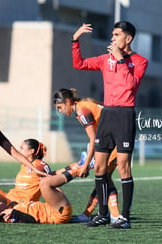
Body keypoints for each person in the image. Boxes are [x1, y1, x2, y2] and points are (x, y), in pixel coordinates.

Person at [71, 21, 148, 229]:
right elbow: (79, 64)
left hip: (125, 115)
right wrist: (75, 39)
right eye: (112, 35)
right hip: (107, 114)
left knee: (123, 166)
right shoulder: (106, 59)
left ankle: (125, 217)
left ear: (128, 38)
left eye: (116, 35)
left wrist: (122, 59)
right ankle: (103, 214)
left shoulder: (140, 61)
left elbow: (130, 85)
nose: (112, 38)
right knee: (100, 168)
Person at [53, 88, 120, 223]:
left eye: (60, 107)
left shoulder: (81, 110)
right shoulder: (83, 105)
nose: (60, 111)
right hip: (113, 139)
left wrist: (86, 164)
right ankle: (98, 213)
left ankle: (115, 215)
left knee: (104, 177)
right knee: (103, 178)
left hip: (115, 140)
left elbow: (92, 138)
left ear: (68, 101)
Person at [0, 170, 76, 224]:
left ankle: (79, 168)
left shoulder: (10, 207)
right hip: (57, 214)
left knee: (46, 181)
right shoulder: (8, 217)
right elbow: (30, 220)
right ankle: (79, 170)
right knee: (44, 183)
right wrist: (13, 211)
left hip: (52, 208)